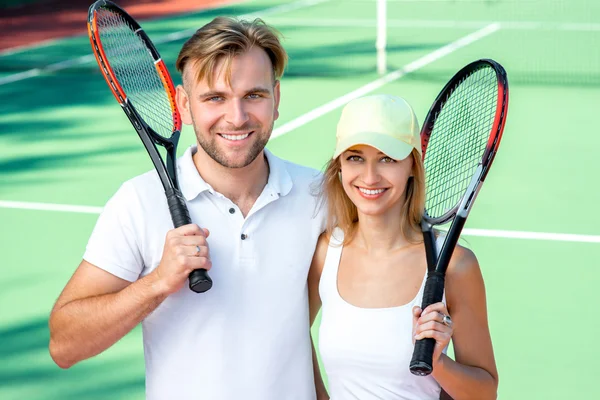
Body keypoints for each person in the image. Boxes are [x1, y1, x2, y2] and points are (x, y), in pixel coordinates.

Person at [49, 17, 328, 400]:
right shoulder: (138, 202)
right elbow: (64, 345)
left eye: (254, 95)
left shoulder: (319, 197)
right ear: (183, 103)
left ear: (276, 99)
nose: (237, 117)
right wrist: (158, 282)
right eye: (215, 98)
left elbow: (296, 335)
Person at [308, 94, 498, 399]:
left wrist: (437, 363)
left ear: (412, 165)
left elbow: (484, 393)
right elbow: (292, 338)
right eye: (355, 157)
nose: (370, 177)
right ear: (339, 165)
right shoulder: (325, 252)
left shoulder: (456, 266)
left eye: (387, 158)